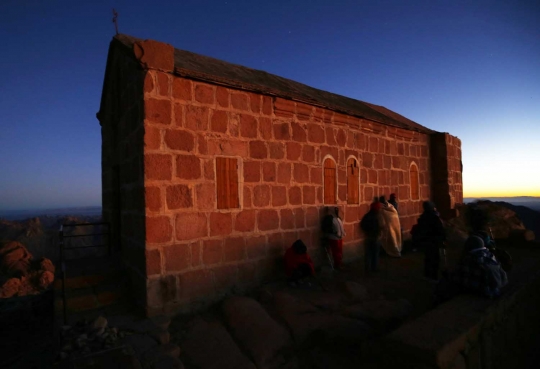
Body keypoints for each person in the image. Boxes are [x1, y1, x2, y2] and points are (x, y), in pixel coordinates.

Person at [412, 201, 446, 280]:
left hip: (427, 241)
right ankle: (433, 276)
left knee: (428, 258)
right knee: (434, 259)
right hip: (434, 242)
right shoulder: (434, 218)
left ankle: (427, 275)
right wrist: (443, 238)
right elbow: (440, 229)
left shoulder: (423, 217)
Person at [360, 202, 383, 273]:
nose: (379, 209)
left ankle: (369, 269)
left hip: (369, 237)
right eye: (378, 208)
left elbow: (362, 225)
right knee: (373, 254)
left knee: (369, 254)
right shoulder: (375, 216)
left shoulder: (367, 216)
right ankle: (372, 268)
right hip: (373, 237)